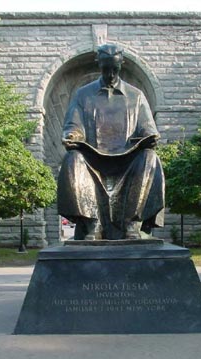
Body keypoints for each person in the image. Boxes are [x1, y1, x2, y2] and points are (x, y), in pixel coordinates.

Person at [57, 44, 164, 240]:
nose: (111, 74)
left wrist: (150, 137)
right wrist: (72, 136)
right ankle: (93, 223)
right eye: (106, 69)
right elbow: (73, 125)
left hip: (128, 160)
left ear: (121, 65)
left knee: (150, 158)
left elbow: (147, 127)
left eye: (114, 69)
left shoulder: (136, 95)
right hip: (93, 159)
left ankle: (132, 223)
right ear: (99, 65)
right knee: (73, 159)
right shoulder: (83, 94)